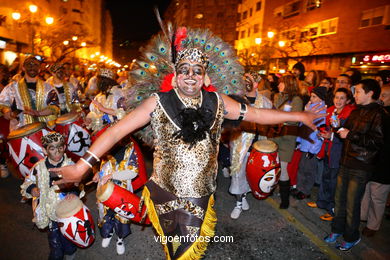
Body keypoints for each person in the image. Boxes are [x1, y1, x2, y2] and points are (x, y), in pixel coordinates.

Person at [51, 29, 323, 259]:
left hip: (199, 195)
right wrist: (80, 168)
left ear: (205, 77)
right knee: (174, 250)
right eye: (184, 70)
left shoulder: (218, 102)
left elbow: (258, 114)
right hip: (164, 192)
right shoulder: (157, 102)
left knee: (187, 252)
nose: (190, 75)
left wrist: (298, 115)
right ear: (175, 75)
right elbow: (114, 132)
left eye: (197, 71)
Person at [324, 79, 384, 251]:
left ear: (370, 93)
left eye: (358, 91)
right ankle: (337, 230)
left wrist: (350, 134)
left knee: (352, 203)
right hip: (346, 160)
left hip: (361, 165)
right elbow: (346, 132)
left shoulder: (379, 114)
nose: (355, 95)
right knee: (339, 199)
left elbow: (377, 142)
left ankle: (351, 236)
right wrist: (336, 126)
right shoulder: (356, 112)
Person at [20, 132, 82, 259]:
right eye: (52, 149)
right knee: (54, 238)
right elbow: (27, 181)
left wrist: (73, 193)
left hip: (65, 210)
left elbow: (79, 185)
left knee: (66, 235)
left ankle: (70, 250)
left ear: (64, 148)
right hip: (48, 210)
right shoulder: (38, 167)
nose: (57, 152)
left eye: (60, 148)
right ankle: (56, 253)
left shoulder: (70, 165)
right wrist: (32, 189)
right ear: (44, 150)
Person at [307, 88, 355, 221]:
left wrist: (331, 135)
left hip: (339, 152)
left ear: (348, 100)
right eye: (336, 97)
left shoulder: (349, 113)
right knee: (325, 177)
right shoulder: (330, 110)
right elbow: (325, 127)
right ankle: (321, 202)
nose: (338, 101)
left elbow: (347, 136)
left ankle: (332, 208)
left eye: (342, 98)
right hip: (328, 149)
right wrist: (322, 133)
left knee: (335, 182)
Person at [229, 71, 272, 219]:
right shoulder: (236, 100)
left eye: (249, 80)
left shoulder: (266, 102)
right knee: (238, 174)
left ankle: (245, 195)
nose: (245, 82)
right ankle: (238, 204)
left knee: (251, 174)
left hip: (257, 146)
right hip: (239, 144)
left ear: (255, 84)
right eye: (244, 79)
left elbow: (269, 122)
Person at [269, 75, 304, 209]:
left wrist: (278, 119)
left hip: (287, 139)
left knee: (283, 169)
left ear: (288, 84)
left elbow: (295, 119)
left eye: (281, 83)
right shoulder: (278, 96)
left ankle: (285, 200)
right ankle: (270, 190)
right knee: (273, 166)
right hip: (275, 136)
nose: (278, 85)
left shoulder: (296, 100)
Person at [360, 85, 390, 237]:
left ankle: (373, 225)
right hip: (371, 159)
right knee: (366, 190)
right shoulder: (376, 112)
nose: (380, 99)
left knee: (378, 195)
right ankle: (363, 216)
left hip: (384, 162)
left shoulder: (385, 115)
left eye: (384, 96)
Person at [0, 56, 59, 130]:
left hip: (45, 130)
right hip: (20, 130)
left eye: (35, 65)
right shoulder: (11, 88)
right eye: (29, 64)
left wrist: (38, 113)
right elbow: (2, 104)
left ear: (39, 69)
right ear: (23, 68)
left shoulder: (49, 88)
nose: (32, 67)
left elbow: (54, 107)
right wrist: (8, 113)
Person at [294, 87, 327, 200]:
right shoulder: (309, 108)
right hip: (304, 143)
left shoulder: (322, 112)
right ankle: (299, 188)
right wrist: (298, 141)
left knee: (309, 170)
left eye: (314, 97)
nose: (311, 99)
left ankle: (306, 190)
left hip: (311, 146)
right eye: (311, 96)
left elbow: (320, 133)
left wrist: (314, 150)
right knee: (302, 168)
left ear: (321, 98)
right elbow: (301, 126)